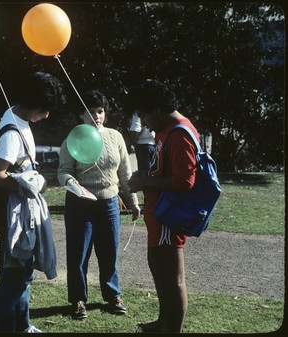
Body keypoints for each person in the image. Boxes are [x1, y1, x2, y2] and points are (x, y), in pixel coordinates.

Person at [0, 71, 66, 333]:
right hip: (16, 217)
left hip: (25, 213)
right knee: (12, 278)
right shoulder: (12, 132)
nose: (47, 115)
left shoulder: (18, 118)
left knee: (24, 273)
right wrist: (27, 185)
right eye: (45, 109)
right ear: (35, 104)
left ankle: (22, 325)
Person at [57, 90, 140, 320]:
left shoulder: (116, 137)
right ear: (81, 114)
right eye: (90, 111)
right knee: (78, 255)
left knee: (109, 252)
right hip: (80, 204)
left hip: (110, 203)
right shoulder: (73, 138)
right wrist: (71, 182)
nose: (96, 116)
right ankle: (78, 300)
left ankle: (113, 296)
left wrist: (132, 201)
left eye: (100, 111)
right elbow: (63, 171)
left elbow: (125, 173)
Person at [127, 79, 200, 333]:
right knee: (159, 268)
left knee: (173, 278)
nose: (144, 122)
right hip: (158, 214)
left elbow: (184, 182)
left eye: (144, 115)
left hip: (169, 217)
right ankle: (164, 321)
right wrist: (145, 179)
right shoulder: (166, 130)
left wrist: (145, 181)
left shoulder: (180, 133)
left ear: (157, 110)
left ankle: (173, 330)